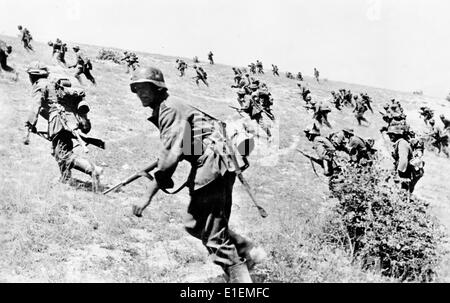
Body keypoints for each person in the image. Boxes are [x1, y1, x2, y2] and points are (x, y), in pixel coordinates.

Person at [129, 66, 266, 283]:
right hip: (213, 163)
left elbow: (170, 157)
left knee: (213, 236)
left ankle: (242, 282)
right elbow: (183, 144)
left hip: (214, 166)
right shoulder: (168, 107)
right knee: (195, 225)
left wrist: (147, 196)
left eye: (146, 88)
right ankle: (247, 251)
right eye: (136, 89)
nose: (141, 93)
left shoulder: (169, 109)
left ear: (158, 88)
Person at [25, 62, 103, 190]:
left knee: (63, 154)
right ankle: (65, 178)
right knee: (59, 151)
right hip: (69, 121)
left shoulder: (40, 85)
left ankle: (93, 170)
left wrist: (29, 125)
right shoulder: (53, 85)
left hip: (59, 122)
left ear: (33, 76)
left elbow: (36, 106)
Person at [386, 123, 424, 193]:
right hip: (405, 170)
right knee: (404, 190)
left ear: (398, 135)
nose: (390, 136)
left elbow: (403, 160)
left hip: (405, 171)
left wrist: (398, 173)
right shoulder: (400, 143)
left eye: (392, 134)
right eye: (389, 134)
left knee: (403, 190)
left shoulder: (402, 143)